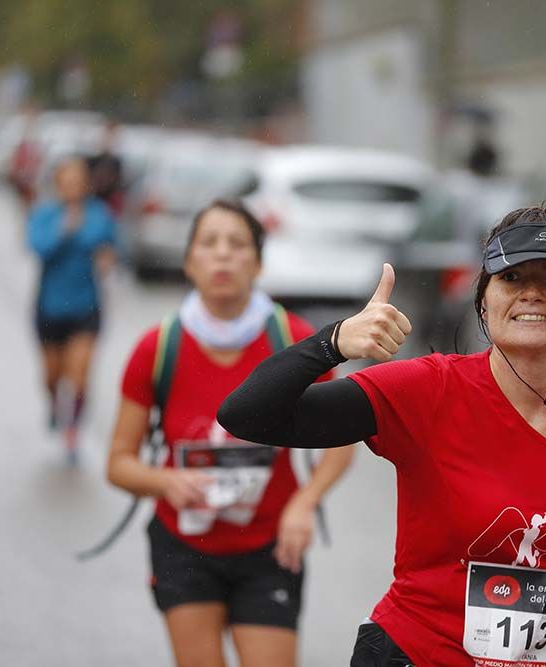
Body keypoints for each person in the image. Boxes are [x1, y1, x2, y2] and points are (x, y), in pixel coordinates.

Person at [219, 204, 546, 667]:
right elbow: (248, 415)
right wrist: (333, 342)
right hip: (416, 655)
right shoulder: (428, 390)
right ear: (483, 301)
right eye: (512, 278)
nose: (532, 293)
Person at [107, 199, 354, 667]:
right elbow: (118, 462)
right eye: (209, 243)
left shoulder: (294, 341)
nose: (222, 255)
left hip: (268, 546)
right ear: (189, 261)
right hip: (184, 545)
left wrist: (304, 503)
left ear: (258, 262)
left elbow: (343, 442)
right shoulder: (158, 348)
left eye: (237, 244)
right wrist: (166, 482)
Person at [28, 157, 117, 461]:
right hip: (50, 307)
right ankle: (54, 404)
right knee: (52, 376)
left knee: (79, 375)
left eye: (78, 181)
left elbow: (110, 247)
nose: (73, 187)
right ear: (57, 183)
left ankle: (72, 432)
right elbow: (38, 248)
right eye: (67, 181)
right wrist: (64, 230)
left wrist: (107, 258)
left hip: (85, 307)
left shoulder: (99, 214)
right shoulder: (45, 215)